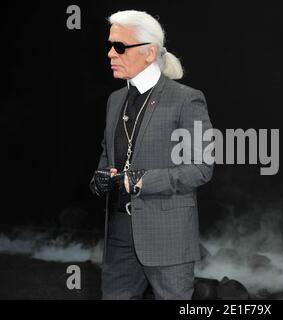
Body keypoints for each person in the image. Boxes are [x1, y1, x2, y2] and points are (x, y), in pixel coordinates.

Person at [89, 10, 214, 300]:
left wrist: (143, 181)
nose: (110, 53)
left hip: (167, 236)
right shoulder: (114, 100)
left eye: (119, 47)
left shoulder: (187, 99)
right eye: (110, 45)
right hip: (119, 233)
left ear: (149, 52)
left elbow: (201, 168)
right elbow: (108, 154)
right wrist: (100, 176)